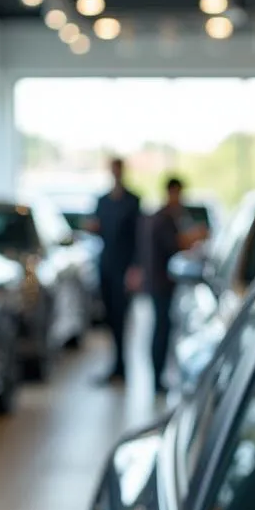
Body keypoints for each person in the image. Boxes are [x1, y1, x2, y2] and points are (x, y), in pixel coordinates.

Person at [143, 176, 199, 395]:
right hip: (160, 283)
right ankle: (156, 379)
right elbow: (175, 245)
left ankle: (158, 377)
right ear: (171, 192)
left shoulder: (168, 216)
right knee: (161, 329)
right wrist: (194, 237)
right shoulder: (164, 218)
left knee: (163, 328)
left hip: (162, 282)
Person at [88, 158, 141, 383]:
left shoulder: (133, 201)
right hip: (107, 266)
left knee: (122, 317)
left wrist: (136, 267)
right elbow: (97, 228)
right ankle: (116, 366)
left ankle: (123, 367)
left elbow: (138, 237)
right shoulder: (102, 201)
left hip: (124, 266)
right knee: (110, 317)